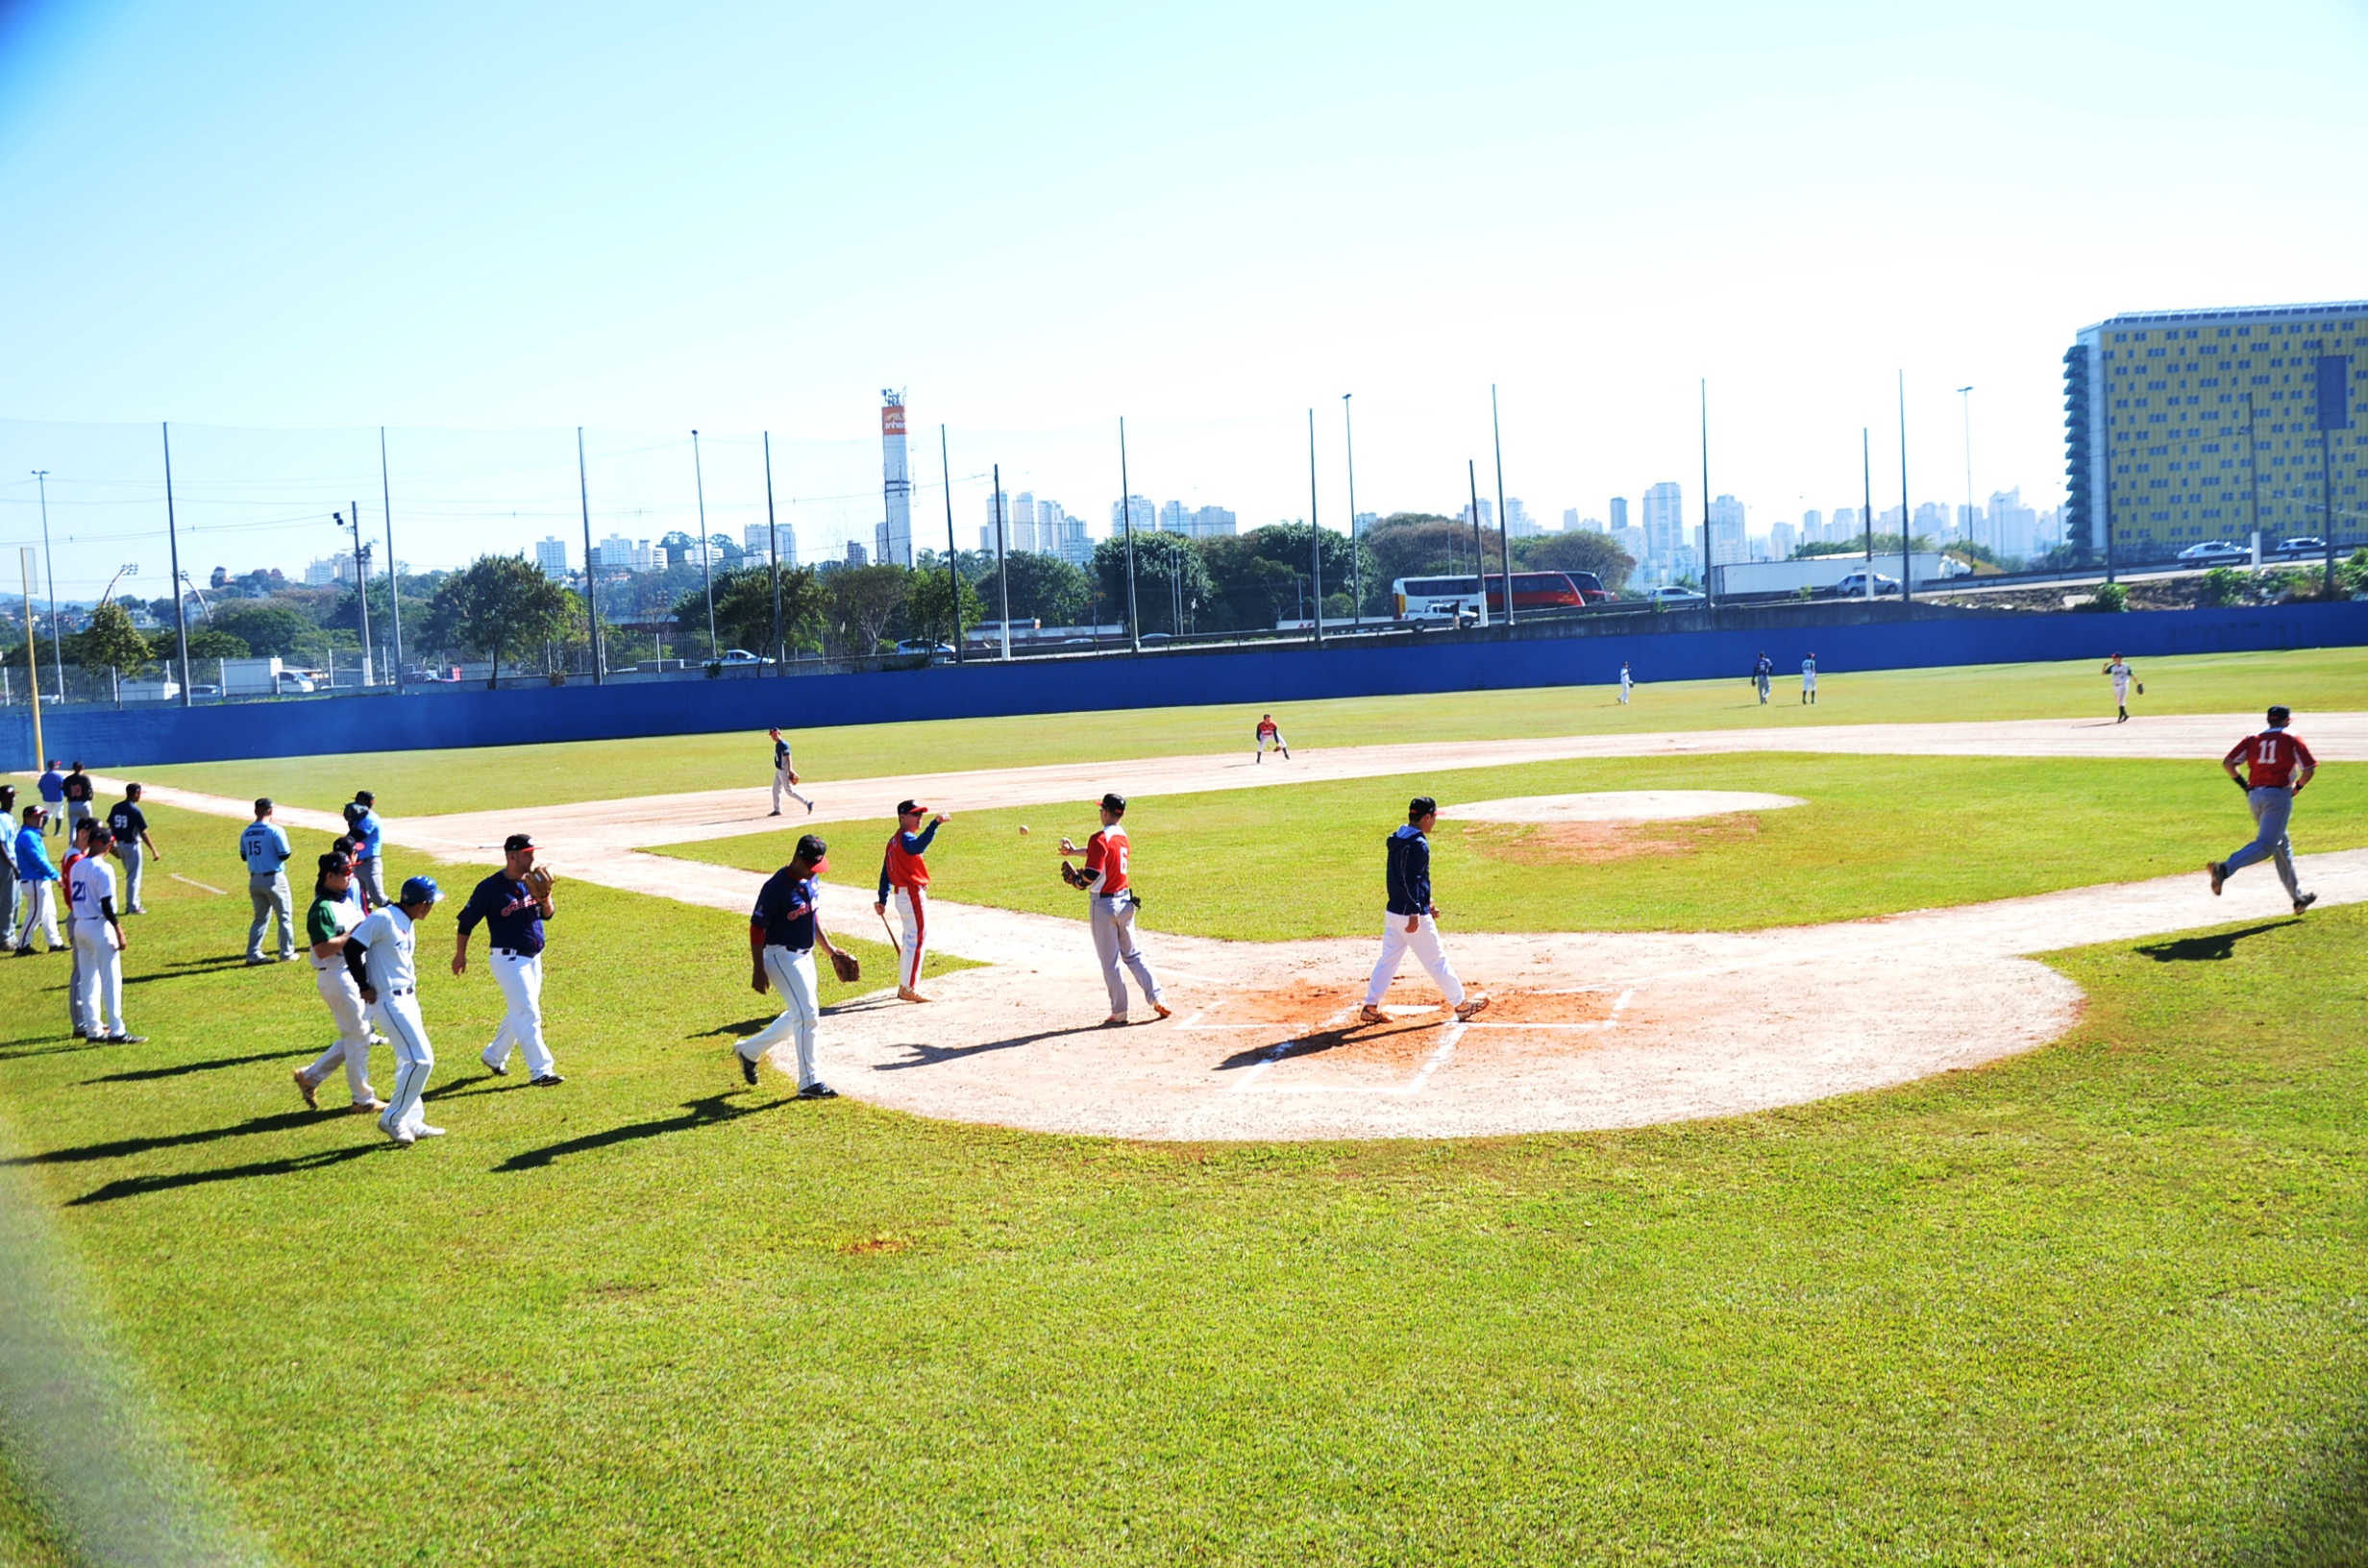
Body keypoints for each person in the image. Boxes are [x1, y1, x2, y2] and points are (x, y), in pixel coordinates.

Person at [1358, 796, 1489, 1025]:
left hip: (1394, 912)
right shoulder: (1419, 844)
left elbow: (1408, 880)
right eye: (1434, 817)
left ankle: (1371, 1006)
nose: (1434, 821)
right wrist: (1416, 911)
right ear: (1426, 817)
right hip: (1410, 915)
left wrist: (1426, 901)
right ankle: (1461, 1004)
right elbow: (1411, 880)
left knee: (1388, 959)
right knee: (1436, 959)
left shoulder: (1397, 839)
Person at [739, 832, 850, 1098]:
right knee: (808, 1014)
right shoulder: (776, 888)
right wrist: (758, 968)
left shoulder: (811, 880)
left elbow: (813, 919)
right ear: (798, 859)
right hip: (780, 956)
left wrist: (831, 951)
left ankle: (749, 1050)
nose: (815, 871)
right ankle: (809, 1082)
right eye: (811, 865)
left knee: (798, 1013)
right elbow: (756, 929)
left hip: (805, 955)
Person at [455, 833, 563, 1087]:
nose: (532, 859)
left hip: (534, 957)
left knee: (520, 1011)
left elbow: (548, 915)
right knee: (528, 1012)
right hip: (509, 959)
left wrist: (545, 899)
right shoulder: (489, 888)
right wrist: (461, 954)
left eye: (532, 853)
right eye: (527, 855)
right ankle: (541, 1071)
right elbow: (466, 921)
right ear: (511, 856)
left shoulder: (533, 881)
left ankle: (494, 1055)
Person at [344, 875, 445, 1147]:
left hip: (408, 999)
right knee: (422, 1060)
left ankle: (413, 1120)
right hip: (389, 1001)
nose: (433, 907)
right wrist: (363, 985)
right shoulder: (384, 918)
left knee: (407, 1062)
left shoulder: (406, 920)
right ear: (422, 904)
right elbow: (352, 948)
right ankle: (393, 1118)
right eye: (432, 902)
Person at [1058, 792, 1171, 1026]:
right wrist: (1074, 851)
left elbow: (1092, 873)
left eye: (1102, 809)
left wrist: (1077, 882)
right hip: (1126, 902)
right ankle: (1157, 997)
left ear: (1107, 812)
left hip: (1104, 906)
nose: (1101, 812)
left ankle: (1119, 1012)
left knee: (1110, 962)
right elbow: (1099, 853)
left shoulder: (1099, 838)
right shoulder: (1122, 836)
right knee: (1133, 954)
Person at [292, 852, 385, 1114]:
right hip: (336, 974)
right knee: (358, 1036)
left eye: (351, 870)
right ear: (329, 875)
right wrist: (351, 937)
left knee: (358, 1033)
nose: (350, 875)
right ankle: (362, 1100)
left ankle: (310, 1077)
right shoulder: (322, 908)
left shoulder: (345, 901)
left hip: (351, 973)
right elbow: (322, 949)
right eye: (345, 872)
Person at [2208, 705, 2317, 915]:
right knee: (2267, 845)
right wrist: (2298, 787)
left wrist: (2245, 785)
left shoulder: (2253, 737)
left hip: (2255, 796)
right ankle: (2225, 868)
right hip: (2278, 796)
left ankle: (2298, 899)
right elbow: (2309, 770)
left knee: (2282, 846)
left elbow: (2228, 763)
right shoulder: (2291, 737)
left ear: (2269, 720)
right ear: (2286, 720)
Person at [65, 827, 143, 1043]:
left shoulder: (77, 865)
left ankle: (93, 1029)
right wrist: (119, 930)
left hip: (80, 925)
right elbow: (107, 904)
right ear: (106, 845)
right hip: (99, 927)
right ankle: (117, 1030)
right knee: (110, 979)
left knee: (89, 979)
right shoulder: (104, 868)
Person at [876, 799, 948, 1003]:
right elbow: (918, 846)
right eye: (915, 815)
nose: (919, 818)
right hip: (912, 896)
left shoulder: (894, 841)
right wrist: (934, 825)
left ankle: (906, 984)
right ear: (902, 817)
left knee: (911, 940)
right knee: (916, 941)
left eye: (920, 815)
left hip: (903, 896)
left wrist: (882, 898)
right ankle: (908, 988)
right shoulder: (906, 839)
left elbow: (885, 872)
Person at [240, 797, 297, 964]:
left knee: (260, 918)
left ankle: (252, 953)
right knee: (284, 917)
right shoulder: (275, 830)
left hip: (255, 879)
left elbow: (244, 856)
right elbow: (284, 854)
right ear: (271, 810)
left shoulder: (247, 831)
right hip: (274, 878)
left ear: (255, 811)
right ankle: (287, 953)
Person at [106, 783, 160, 915]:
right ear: (136, 793)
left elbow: (110, 827)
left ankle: (134, 903)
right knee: (133, 877)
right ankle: (133, 906)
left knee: (131, 875)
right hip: (132, 846)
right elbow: (143, 832)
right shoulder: (135, 811)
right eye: (139, 794)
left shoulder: (116, 807)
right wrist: (153, 849)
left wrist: (111, 844)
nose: (140, 796)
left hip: (120, 845)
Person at [14, 805, 62, 954]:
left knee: (49, 912)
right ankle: (22, 946)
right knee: (36, 914)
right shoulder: (27, 835)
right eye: (36, 816)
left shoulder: (33, 834)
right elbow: (38, 859)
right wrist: (56, 875)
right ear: (27, 818)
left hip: (40, 879)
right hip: (33, 880)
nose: (40, 819)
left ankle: (55, 943)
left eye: (41, 816)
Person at [344, 791, 388, 910]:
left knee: (378, 898)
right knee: (363, 900)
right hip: (358, 863)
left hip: (370, 864)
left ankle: (400, 915)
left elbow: (356, 836)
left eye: (360, 802)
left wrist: (351, 823)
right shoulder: (360, 818)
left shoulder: (371, 818)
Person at [769, 728, 814, 816]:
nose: (773, 736)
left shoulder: (784, 744)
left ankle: (808, 802)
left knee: (789, 791)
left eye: (774, 734)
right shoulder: (778, 744)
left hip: (784, 771)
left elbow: (788, 756)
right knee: (775, 790)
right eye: (772, 735)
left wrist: (790, 769)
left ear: (779, 733)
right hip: (779, 771)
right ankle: (777, 810)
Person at [59, 762, 96, 844]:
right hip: (84, 804)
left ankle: (72, 846)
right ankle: (90, 843)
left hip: (72, 805)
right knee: (89, 826)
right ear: (82, 768)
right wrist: (91, 796)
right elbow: (89, 791)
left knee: (73, 828)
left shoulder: (68, 779)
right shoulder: (85, 778)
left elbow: (65, 793)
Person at [0, 786, 18, 950]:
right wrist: (13, 866)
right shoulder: (0, 818)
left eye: (14, 795)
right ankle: (5, 938)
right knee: (7, 902)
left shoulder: (9, 816)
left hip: (12, 861)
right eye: (9, 796)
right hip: (5, 863)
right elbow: (0, 845)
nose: (13, 798)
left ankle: (11, 934)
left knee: (15, 900)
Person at [2103, 653, 2136, 723]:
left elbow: (2132, 674)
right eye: (2114, 658)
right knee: (2118, 702)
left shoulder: (2126, 666)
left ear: (2120, 658)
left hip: (2124, 685)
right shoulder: (2113, 667)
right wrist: (2104, 666)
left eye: (2115, 658)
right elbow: (2104, 673)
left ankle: (2121, 715)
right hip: (2115, 685)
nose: (2114, 659)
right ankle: (2125, 714)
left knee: (2122, 700)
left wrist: (2138, 683)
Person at [36, 761, 64, 838]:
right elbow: (63, 786)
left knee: (47, 813)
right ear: (54, 766)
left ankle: (41, 829)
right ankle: (57, 832)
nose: (58, 766)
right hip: (58, 798)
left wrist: (45, 792)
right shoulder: (59, 776)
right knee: (59, 814)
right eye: (57, 765)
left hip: (47, 798)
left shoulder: (45, 776)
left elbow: (40, 786)